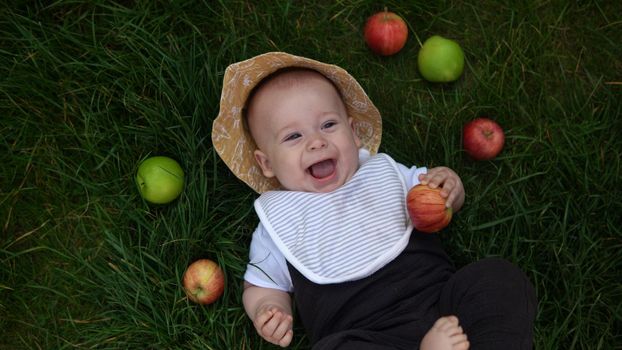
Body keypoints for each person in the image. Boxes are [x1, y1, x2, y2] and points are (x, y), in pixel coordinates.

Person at [212, 52, 536, 350]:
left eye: (328, 124)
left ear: (353, 133)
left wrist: (450, 187)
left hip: (442, 310)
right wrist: (269, 309)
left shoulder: (383, 173)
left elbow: (438, 197)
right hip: (362, 336)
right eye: (293, 136)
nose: (316, 141)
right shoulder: (279, 224)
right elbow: (261, 285)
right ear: (266, 163)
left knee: (497, 279)